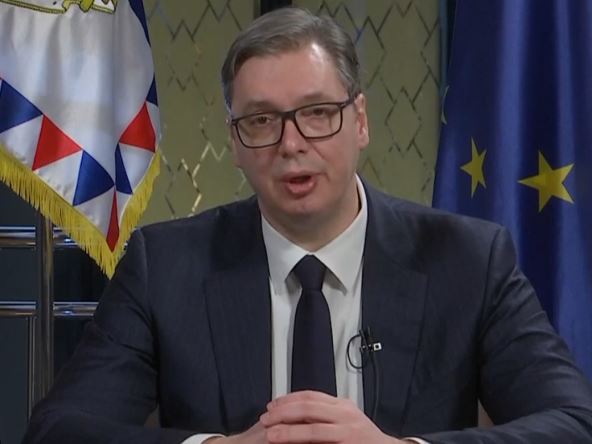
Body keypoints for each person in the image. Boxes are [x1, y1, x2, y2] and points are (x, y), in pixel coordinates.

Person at [23, 6, 592, 444]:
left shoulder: (468, 259)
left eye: (318, 113)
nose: (291, 144)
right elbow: (58, 429)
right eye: (261, 120)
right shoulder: (165, 266)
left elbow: (573, 422)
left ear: (360, 121)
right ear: (235, 143)